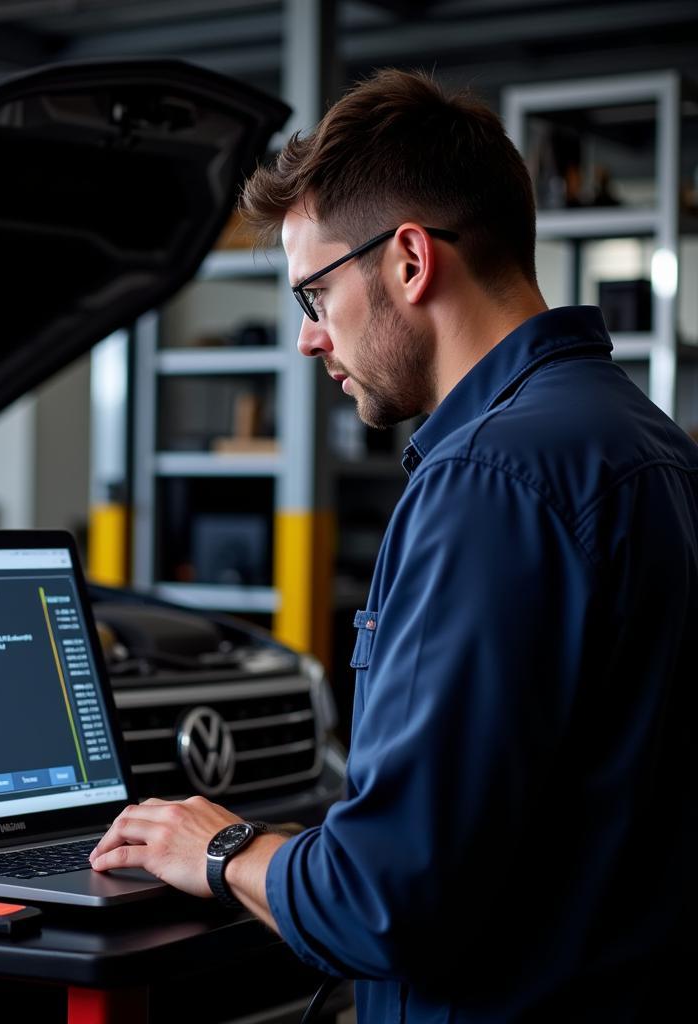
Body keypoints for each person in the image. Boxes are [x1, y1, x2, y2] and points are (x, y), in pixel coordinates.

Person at [90, 69, 696, 1022]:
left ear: (410, 261)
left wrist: (219, 850)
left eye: (314, 294)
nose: (307, 339)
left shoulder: (489, 481)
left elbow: (383, 901)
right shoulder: (644, 442)